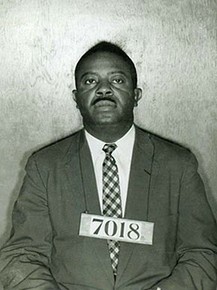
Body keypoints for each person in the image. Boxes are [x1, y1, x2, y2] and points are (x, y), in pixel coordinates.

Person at [0, 41, 217, 290]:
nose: (104, 89)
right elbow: (21, 256)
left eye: (117, 80)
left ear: (136, 95)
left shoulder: (178, 166)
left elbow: (203, 254)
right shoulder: (45, 167)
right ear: (76, 97)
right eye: (90, 81)